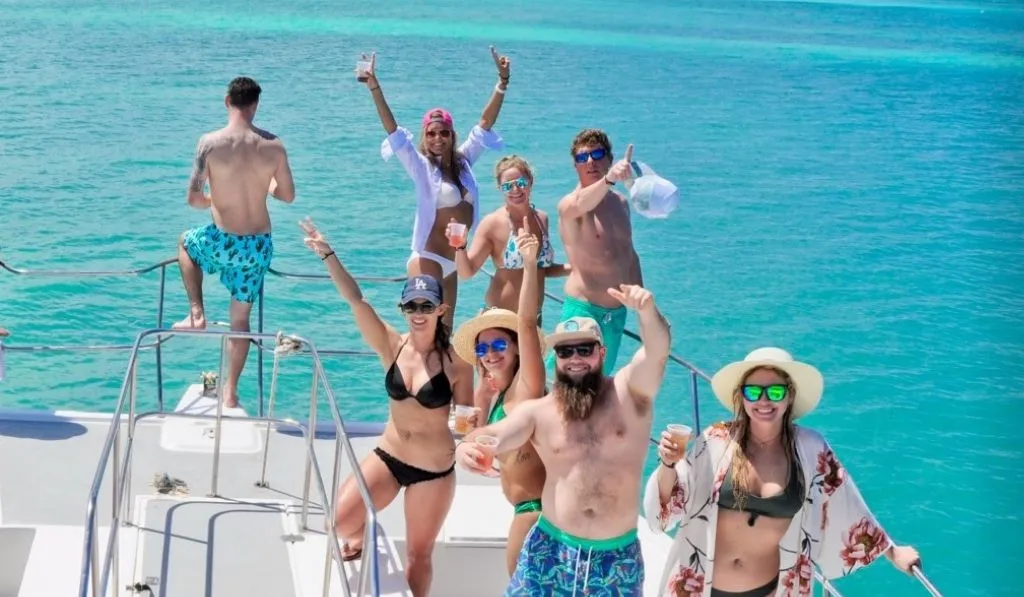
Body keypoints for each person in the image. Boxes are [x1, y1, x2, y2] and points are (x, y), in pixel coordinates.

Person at [644, 347, 922, 597]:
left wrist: (892, 552)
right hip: (701, 587)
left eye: (775, 392)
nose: (764, 401)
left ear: (789, 395)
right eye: (753, 392)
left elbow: (846, 502)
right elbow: (675, 500)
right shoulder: (716, 439)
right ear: (741, 395)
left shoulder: (811, 448)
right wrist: (669, 464)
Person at [456, 284, 671, 596]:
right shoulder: (540, 412)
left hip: (615, 560)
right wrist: (466, 446)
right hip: (550, 549)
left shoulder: (630, 395)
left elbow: (657, 352)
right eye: (565, 351)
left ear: (602, 352)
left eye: (585, 349)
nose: (575, 359)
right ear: (555, 356)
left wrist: (647, 312)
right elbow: (495, 434)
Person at [300, 218, 473, 597]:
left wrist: (475, 442)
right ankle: (361, 537)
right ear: (402, 308)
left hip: (433, 471)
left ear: (441, 309)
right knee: (339, 524)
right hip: (389, 456)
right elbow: (355, 300)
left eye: (426, 304)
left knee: (418, 556)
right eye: (411, 305)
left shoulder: (458, 363)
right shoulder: (390, 346)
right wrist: (328, 254)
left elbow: (466, 421)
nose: (418, 312)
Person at [359, 47, 510, 327]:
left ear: (452, 135)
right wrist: (374, 86)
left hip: (454, 262)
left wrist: (502, 82)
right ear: (424, 136)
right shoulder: (421, 166)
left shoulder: (464, 163)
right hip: (427, 257)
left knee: (445, 332)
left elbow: (485, 124)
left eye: (443, 132)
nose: (437, 138)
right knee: (426, 329)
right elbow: (393, 131)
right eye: (431, 133)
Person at [172, 76, 295, 409]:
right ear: (255, 105)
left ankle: (196, 313)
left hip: (223, 241)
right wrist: (264, 186)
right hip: (256, 247)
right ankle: (230, 392)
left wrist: (216, 199)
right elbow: (287, 195)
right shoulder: (274, 145)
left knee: (185, 242)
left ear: (227, 101)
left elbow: (193, 198)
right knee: (240, 321)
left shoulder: (208, 144)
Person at [451, 223, 547, 576]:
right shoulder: (500, 390)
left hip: (537, 512)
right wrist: (483, 381)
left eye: (499, 345)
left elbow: (525, 321)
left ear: (518, 347)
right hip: (524, 510)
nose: (490, 353)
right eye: (483, 348)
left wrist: (530, 264)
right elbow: (474, 423)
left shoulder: (528, 386)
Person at [547, 128, 643, 375]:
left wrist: (643, 306)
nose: (590, 162)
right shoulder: (570, 205)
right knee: (564, 385)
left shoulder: (620, 203)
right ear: (575, 166)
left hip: (616, 314)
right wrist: (609, 179)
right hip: (583, 310)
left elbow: (628, 254)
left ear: (609, 159)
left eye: (597, 154)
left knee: (598, 385)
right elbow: (580, 204)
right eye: (582, 158)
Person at [449, 154, 569, 322]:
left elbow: (540, 269)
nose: (515, 190)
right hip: (500, 319)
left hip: (534, 319)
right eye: (507, 186)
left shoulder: (542, 218)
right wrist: (460, 247)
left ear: (530, 182)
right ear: (500, 188)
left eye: (521, 183)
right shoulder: (493, 223)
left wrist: (574, 268)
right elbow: (466, 272)